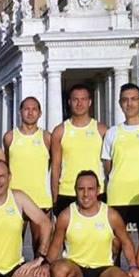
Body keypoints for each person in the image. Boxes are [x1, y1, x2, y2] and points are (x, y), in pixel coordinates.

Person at [3, 96, 53, 277]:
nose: (30, 112)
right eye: (26, 109)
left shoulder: (47, 138)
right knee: (12, 248)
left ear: (40, 113)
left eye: (34, 109)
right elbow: (6, 165)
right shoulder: (9, 137)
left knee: (40, 250)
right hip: (15, 202)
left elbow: (54, 165)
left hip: (41, 200)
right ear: (20, 112)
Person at [102, 83, 139, 252]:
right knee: (115, 246)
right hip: (118, 196)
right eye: (125, 100)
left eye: (134, 99)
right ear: (120, 103)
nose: (130, 103)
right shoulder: (112, 132)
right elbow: (108, 165)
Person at [50, 84, 107, 214]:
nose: (79, 103)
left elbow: (109, 165)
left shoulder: (102, 130)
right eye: (75, 99)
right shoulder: (60, 131)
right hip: (67, 191)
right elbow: (55, 167)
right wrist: (55, 197)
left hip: (96, 192)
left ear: (90, 102)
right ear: (69, 102)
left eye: (83, 99)